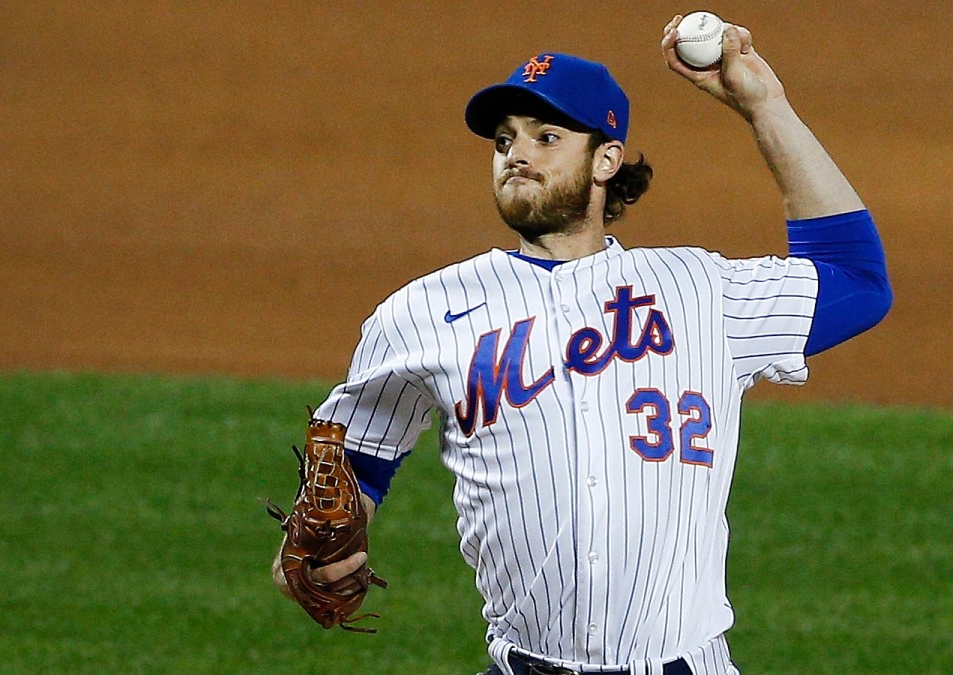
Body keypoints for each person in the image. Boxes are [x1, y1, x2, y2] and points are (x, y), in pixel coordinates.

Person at [273, 15, 891, 675]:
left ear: (606, 160)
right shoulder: (420, 314)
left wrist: (766, 108)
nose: (517, 154)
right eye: (505, 139)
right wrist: (307, 552)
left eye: (547, 137)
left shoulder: (699, 290)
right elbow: (352, 469)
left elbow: (856, 281)